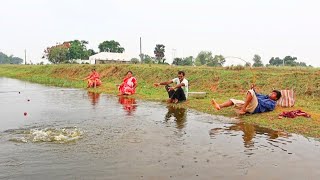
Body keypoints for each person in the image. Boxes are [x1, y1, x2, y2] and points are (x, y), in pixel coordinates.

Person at [211, 85, 281, 115]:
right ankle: (219, 106)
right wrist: (253, 89)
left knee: (250, 92)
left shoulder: (272, 103)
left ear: (276, 98)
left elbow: (262, 103)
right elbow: (256, 95)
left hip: (255, 108)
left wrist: (252, 93)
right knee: (233, 100)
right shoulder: (265, 96)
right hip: (250, 105)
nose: (271, 93)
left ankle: (243, 109)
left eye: (274, 94)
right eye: (272, 92)